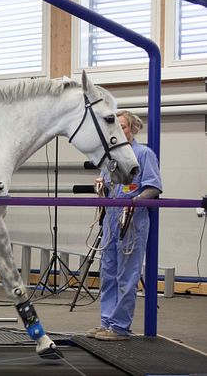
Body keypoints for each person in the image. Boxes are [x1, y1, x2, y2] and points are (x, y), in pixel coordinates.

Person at [87, 110, 162, 341]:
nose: (120, 131)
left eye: (124, 127)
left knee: (126, 276)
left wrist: (135, 202)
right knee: (108, 273)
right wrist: (99, 187)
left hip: (132, 221)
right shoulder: (110, 158)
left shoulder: (144, 154)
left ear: (134, 129)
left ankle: (120, 327)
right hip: (111, 221)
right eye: (116, 128)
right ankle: (106, 322)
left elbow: (153, 187)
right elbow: (106, 187)